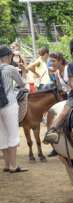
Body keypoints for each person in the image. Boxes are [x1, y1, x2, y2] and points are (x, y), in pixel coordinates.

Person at [0, 45, 28, 173]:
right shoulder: (10, 68)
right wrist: (24, 73)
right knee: (13, 135)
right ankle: (13, 166)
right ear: (9, 56)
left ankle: (6, 165)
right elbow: (22, 84)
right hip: (9, 104)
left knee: (2, 135)